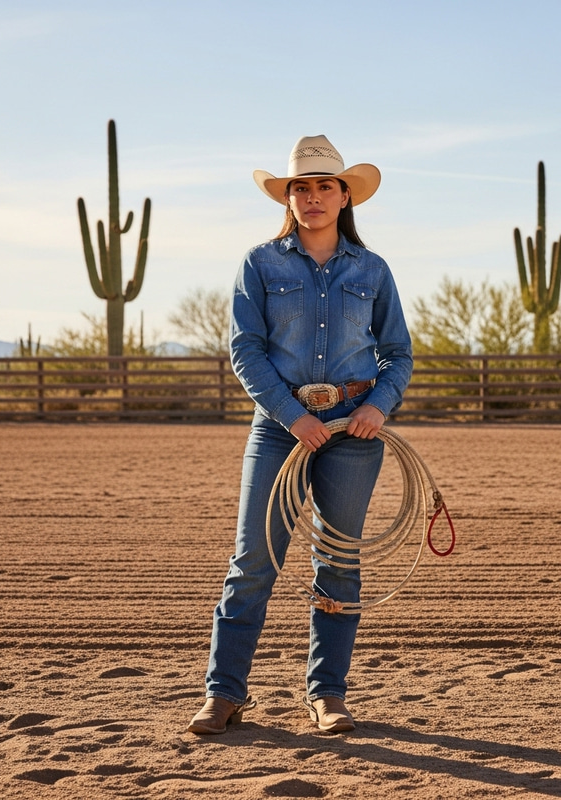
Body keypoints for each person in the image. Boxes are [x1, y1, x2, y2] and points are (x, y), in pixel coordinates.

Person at [187, 135, 413, 735]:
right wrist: (294, 416)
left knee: (338, 564)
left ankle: (328, 695)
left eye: (324, 187)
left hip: (353, 428)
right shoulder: (260, 263)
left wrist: (379, 407)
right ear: (288, 198)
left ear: (344, 197)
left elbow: (398, 354)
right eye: (301, 188)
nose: (312, 198)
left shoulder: (372, 270)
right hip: (281, 429)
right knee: (254, 560)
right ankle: (224, 692)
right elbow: (246, 350)